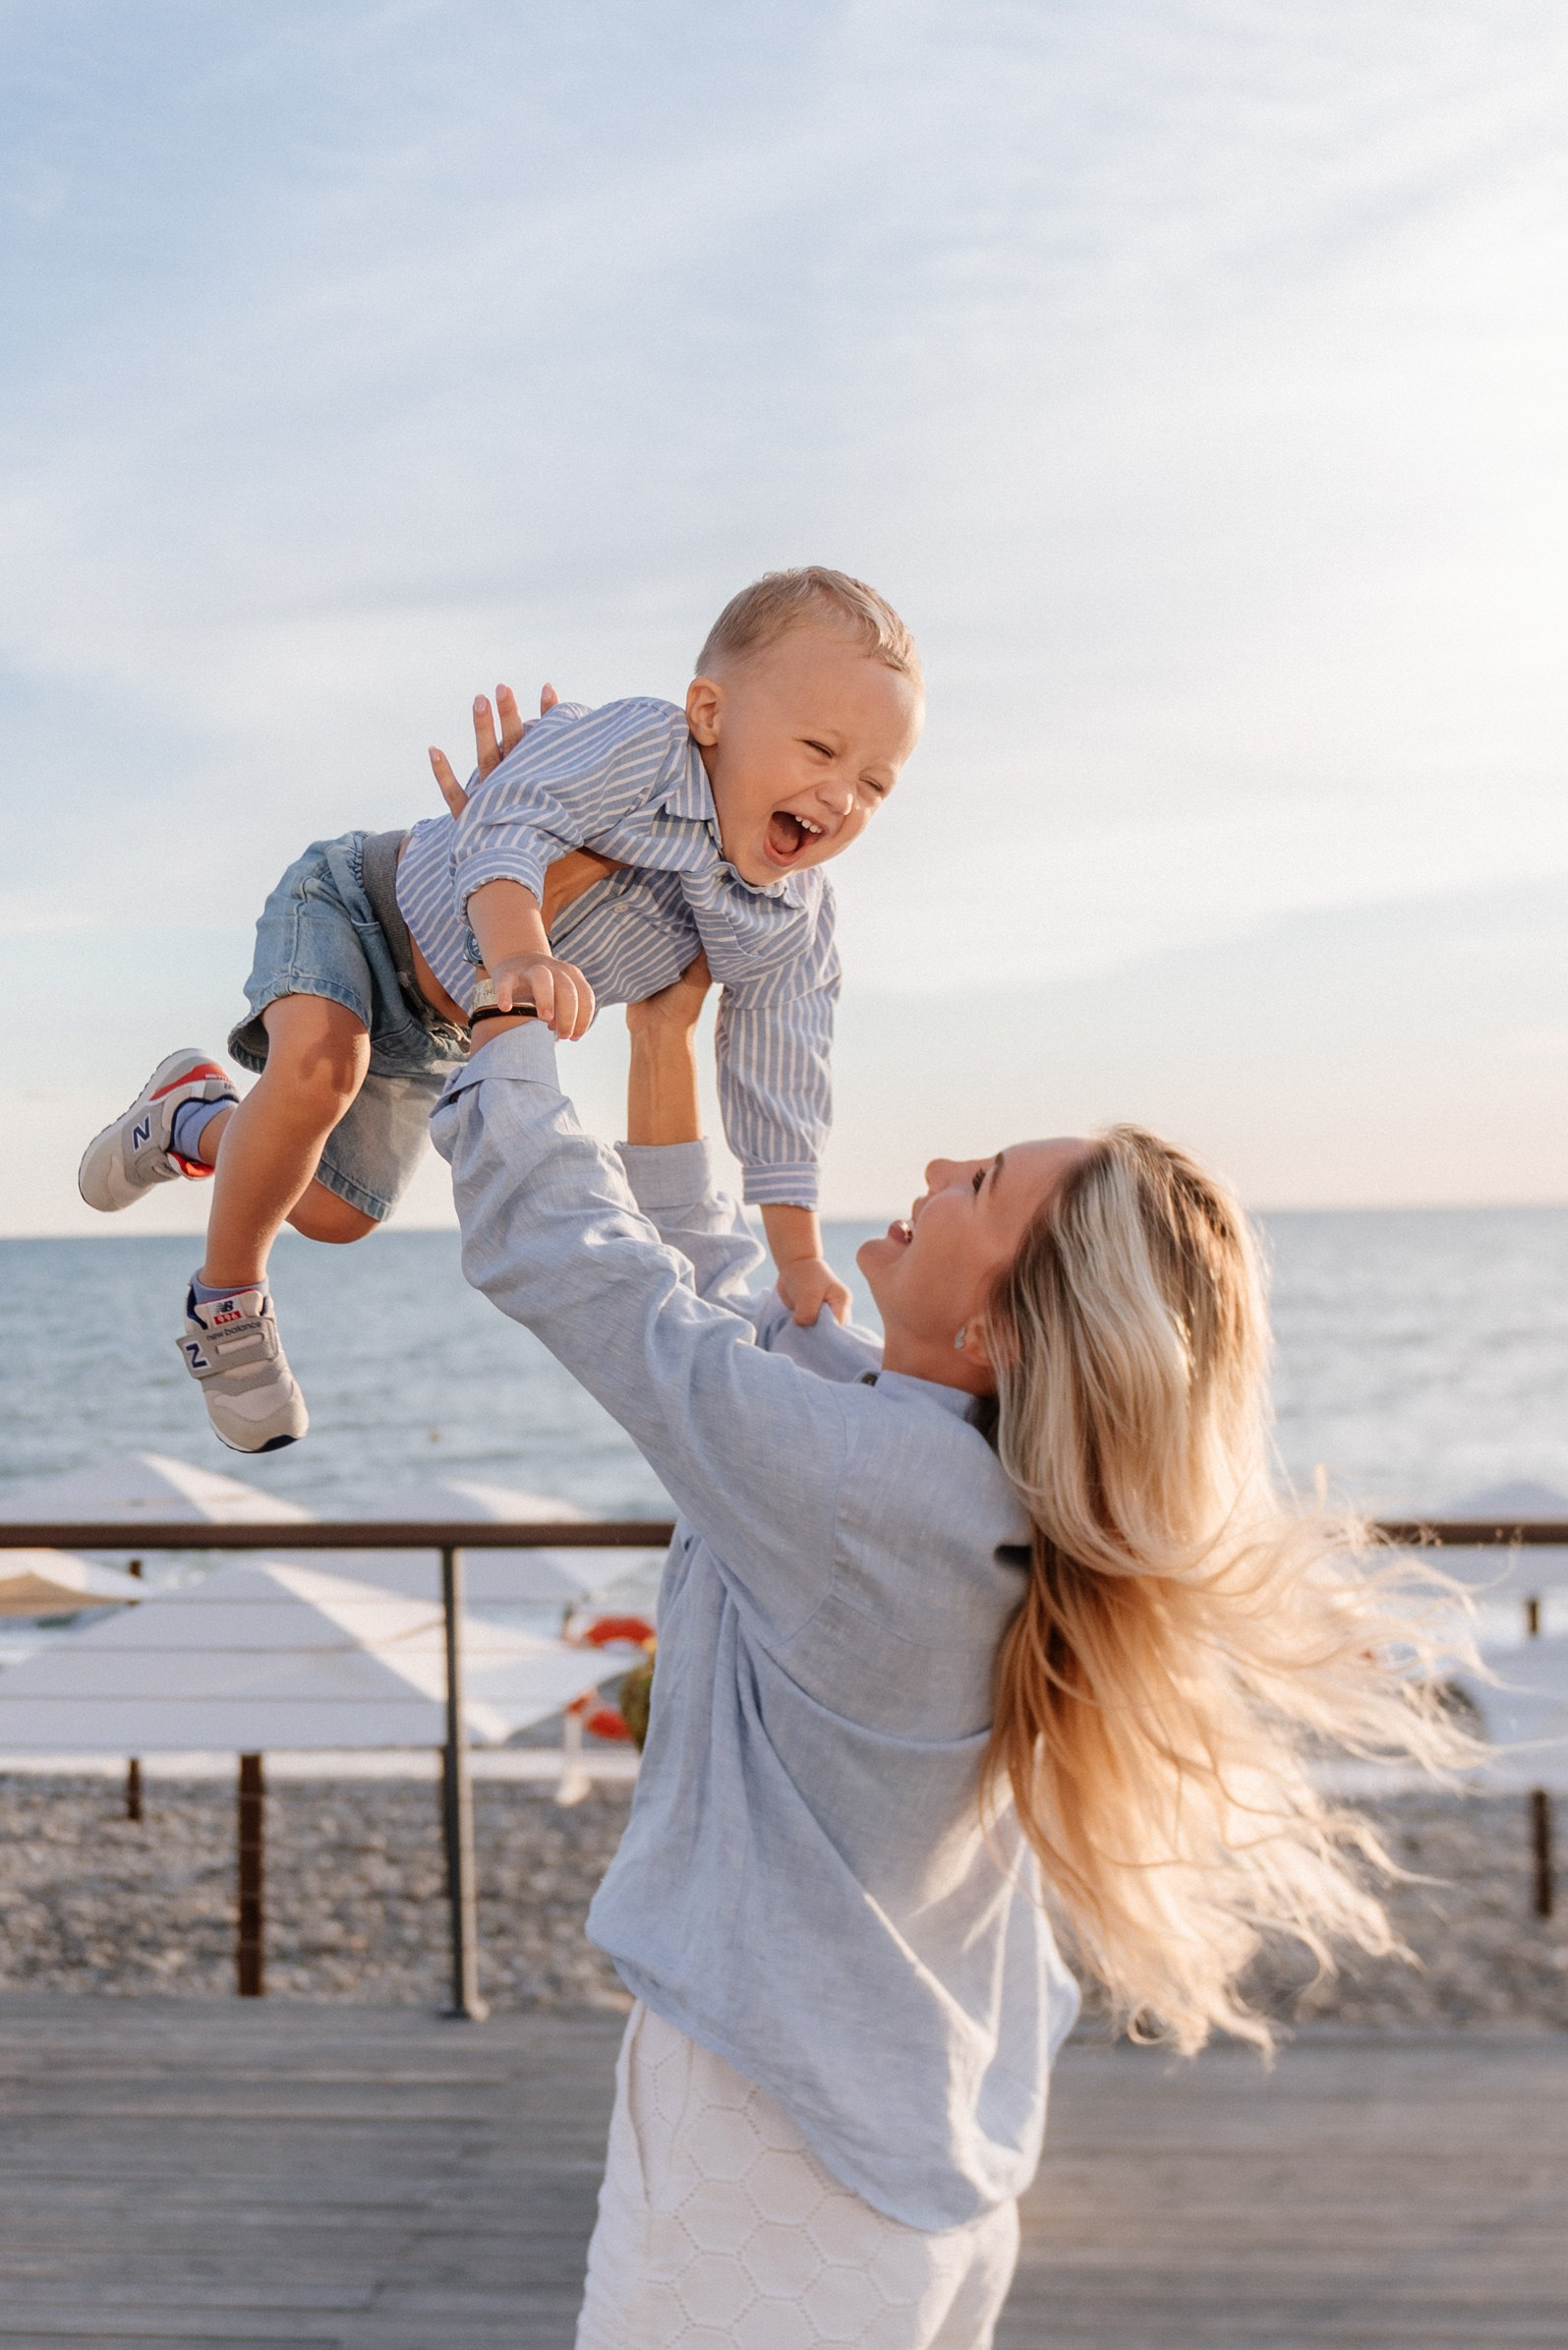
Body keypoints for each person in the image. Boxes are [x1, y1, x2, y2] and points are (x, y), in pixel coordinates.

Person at [430, 941, 1475, 2350]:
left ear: (995, 1324)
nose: (930, 1168)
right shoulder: (941, 1471)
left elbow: (575, 1269)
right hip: (908, 2157)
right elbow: (730, 1297)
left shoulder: (864, 1489)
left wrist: (501, 1022)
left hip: (774, 2157)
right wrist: (668, 1038)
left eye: (976, 1182)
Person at [75, 565, 923, 1452]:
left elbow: (779, 1074)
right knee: (322, 1070)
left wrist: (796, 1259)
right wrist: (520, 949)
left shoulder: (789, 916)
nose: (840, 797)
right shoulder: (641, 748)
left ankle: (191, 1120)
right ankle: (227, 1306)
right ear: (710, 714)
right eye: (819, 752)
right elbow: (511, 815)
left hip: (438, 1031)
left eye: (874, 784)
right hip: (362, 910)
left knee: (337, 1212)